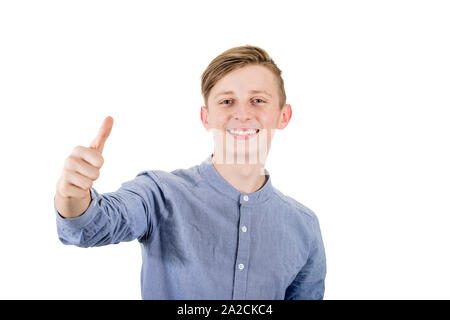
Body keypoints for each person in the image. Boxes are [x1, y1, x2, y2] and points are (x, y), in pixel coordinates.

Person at [54, 45, 327, 300]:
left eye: (258, 100)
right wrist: (73, 196)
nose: (242, 114)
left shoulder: (304, 226)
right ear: (206, 117)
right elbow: (92, 227)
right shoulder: (160, 193)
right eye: (227, 101)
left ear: (284, 115)